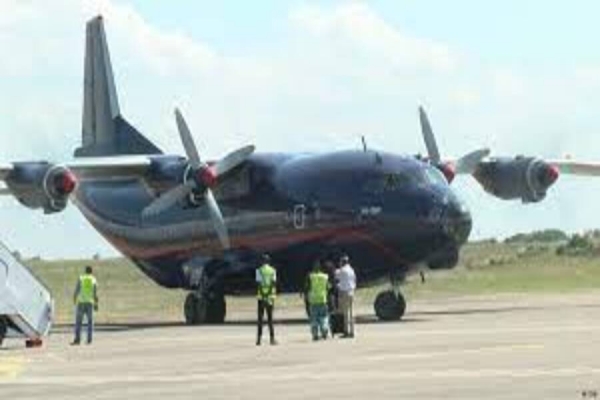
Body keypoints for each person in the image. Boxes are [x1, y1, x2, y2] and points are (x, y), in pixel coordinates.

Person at [72, 265, 98, 345]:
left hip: (81, 302)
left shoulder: (81, 278)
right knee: (90, 322)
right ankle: (89, 340)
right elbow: (95, 293)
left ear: (85, 271)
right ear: (91, 272)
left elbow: (77, 290)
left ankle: (77, 340)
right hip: (90, 303)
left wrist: (74, 299)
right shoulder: (94, 279)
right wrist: (96, 304)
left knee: (78, 322)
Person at [256, 254, 277, 346]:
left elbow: (259, 284)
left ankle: (258, 340)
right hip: (270, 297)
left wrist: (263, 294)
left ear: (262, 261)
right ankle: (272, 339)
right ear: (269, 261)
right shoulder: (273, 270)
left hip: (261, 297)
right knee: (270, 319)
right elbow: (273, 283)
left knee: (260, 319)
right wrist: (268, 293)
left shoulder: (259, 270)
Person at [306, 261, 330, 341]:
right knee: (324, 317)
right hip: (323, 299)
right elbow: (328, 287)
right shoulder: (325, 276)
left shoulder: (310, 276)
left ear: (313, 268)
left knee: (314, 319)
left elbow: (308, 288)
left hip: (313, 300)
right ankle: (325, 331)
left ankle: (315, 335)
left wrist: (307, 296)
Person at [335, 255, 356, 338]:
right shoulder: (352, 270)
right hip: (351, 292)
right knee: (351, 313)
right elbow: (354, 280)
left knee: (345, 314)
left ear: (342, 262)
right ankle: (352, 331)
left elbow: (336, 276)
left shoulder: (342, 270)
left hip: (345, 293)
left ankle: (346, 332)